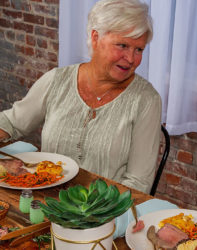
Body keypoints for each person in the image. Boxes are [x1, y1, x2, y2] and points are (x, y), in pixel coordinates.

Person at [0, 0, 161, 194]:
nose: (131, 58)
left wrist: (88, 211)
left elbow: (138, 183)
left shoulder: (146, 101)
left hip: (103, 212)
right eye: (123, 45)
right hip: (44, 200)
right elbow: (11, 122)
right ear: (95, 38)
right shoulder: (57, 81)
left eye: (139, 49)